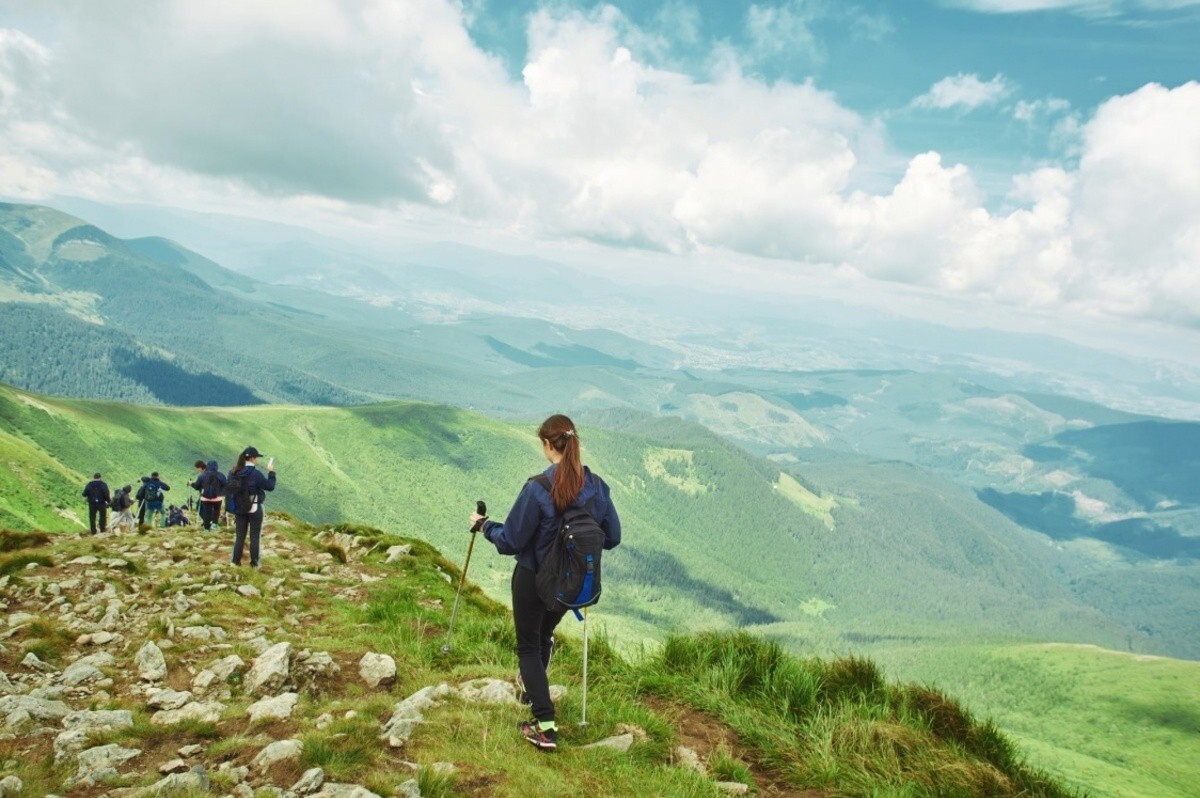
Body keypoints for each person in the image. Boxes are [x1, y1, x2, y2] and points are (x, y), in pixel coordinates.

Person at [470, 414, 621, 751]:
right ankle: (533, 693)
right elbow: (612, 537)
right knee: (542, 635)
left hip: (532, 577)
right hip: (572, 582)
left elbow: (510, 540)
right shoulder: (596, 486)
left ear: (548, 444)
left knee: (527, 646)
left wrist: (484, 525)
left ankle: (546, 726)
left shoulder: (538, 488)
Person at [229, 446, 276, 568]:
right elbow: (270, 486)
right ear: (253, 458)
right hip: (254, 507)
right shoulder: (256, 474)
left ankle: (235, 562)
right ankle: (254, 564)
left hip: (239, 507)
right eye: (257, 458)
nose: (257, 460)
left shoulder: (234, 472)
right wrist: (271, 472)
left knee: (240, 536)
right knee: (254, 536)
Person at [191, 459, 226, 531]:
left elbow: (197, 486)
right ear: (216, 466)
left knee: (207, 512)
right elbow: (225, 485)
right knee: (216, 510)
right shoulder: (221, 475)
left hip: (205, 498)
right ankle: (214, 525)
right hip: (218, 498)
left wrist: (192, 484)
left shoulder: (202, 475)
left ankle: (206, 529)